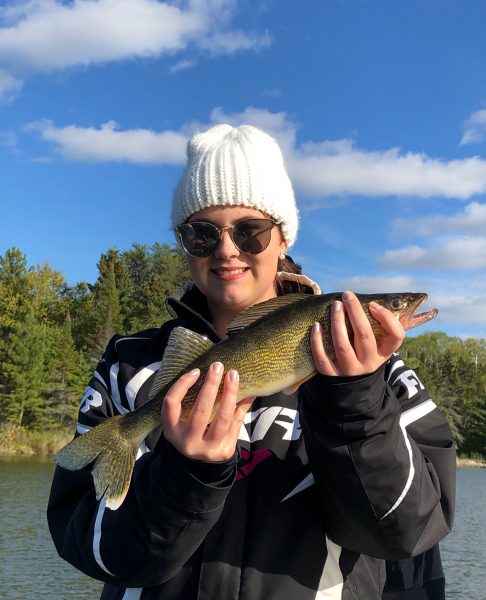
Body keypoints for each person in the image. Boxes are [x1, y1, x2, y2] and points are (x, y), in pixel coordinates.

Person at [48, 124, 455, 600]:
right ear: (184, 243)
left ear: (283, 237)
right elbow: (87, 544)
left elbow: (409, 533)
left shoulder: (380, 377)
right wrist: (186, 473)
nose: (226, 249)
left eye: (250, 231)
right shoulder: (128, 365)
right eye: (202, 233)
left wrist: (356, 402)